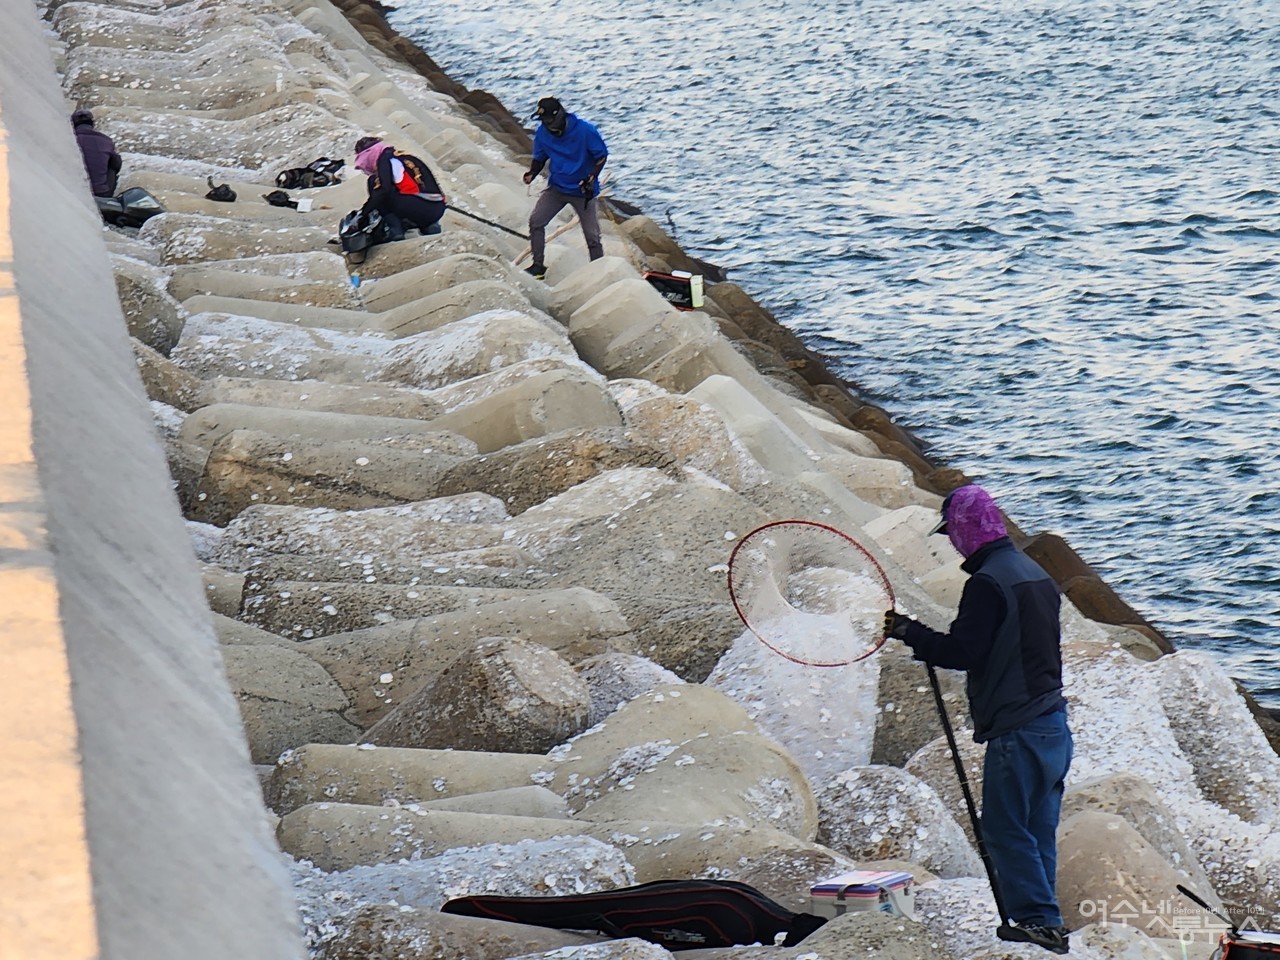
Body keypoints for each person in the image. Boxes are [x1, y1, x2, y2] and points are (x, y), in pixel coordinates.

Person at [884, 484, 1073, 956]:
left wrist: (910, 632)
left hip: (1018, 728)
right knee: (1036, 829)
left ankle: (1037, 920)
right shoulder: (1035, 573)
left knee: (1006, 830)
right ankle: (1046, 922)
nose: (952, 541)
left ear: (968, 529)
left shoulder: (987, 583)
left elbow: (962, 652)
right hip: (1052, 722)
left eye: (953, 531)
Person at [521, 97, 608, 280]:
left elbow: (601, 156)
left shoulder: (585, 131)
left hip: (582, 193)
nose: (548, 125)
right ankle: (538, 267)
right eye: (544, 121)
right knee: (536, 222)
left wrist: (591, 177)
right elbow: (540, 158)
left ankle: (599, 273)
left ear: (560, 114)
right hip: (557, 188)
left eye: (550, 120)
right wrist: (532, 173)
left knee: (592, 237)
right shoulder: (543, 134)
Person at [353, 135, 446, 241]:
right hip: (438, 208)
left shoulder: (385, 160)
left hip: (417, 208)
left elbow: (383, 190)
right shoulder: (404, 157)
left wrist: (364, 212)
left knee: (374, 184)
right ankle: (429, 227)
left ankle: (395, 230)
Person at [72, 108, 121, 198]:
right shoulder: (106, 140)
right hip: (101, 193)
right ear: (92, 123)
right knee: (113, 163)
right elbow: (117, 164)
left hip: (73, 187)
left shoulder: (71, 138)